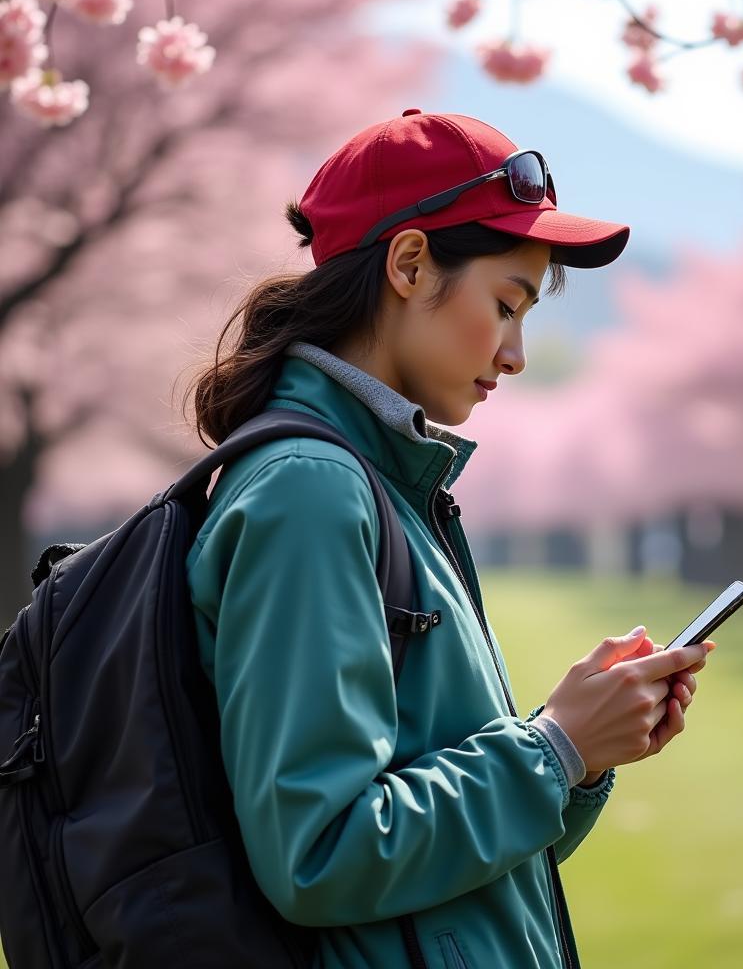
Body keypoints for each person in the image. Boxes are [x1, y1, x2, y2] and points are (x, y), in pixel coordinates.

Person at [183, 109, 713, 969]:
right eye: (507, 306)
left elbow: (448, 883)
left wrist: (570, 761)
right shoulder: (313, 494)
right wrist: (552, 748)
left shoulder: (382, 483)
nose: (516, 355)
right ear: (409, 263)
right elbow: (318, 855)